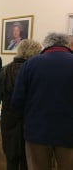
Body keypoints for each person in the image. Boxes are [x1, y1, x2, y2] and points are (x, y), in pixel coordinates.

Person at [11, 33, 73, 170]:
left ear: (45, 45)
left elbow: (17, 101)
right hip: (69, 133)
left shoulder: (30, 64)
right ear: (67, 44)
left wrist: (28, 120)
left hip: (37, 132)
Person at [0, 39, 42, 170]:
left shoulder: (4, 70)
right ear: (34, 53)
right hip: (28, 118)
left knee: (10, 155)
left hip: (8, 116)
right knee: (26, 157)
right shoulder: (35, 72)